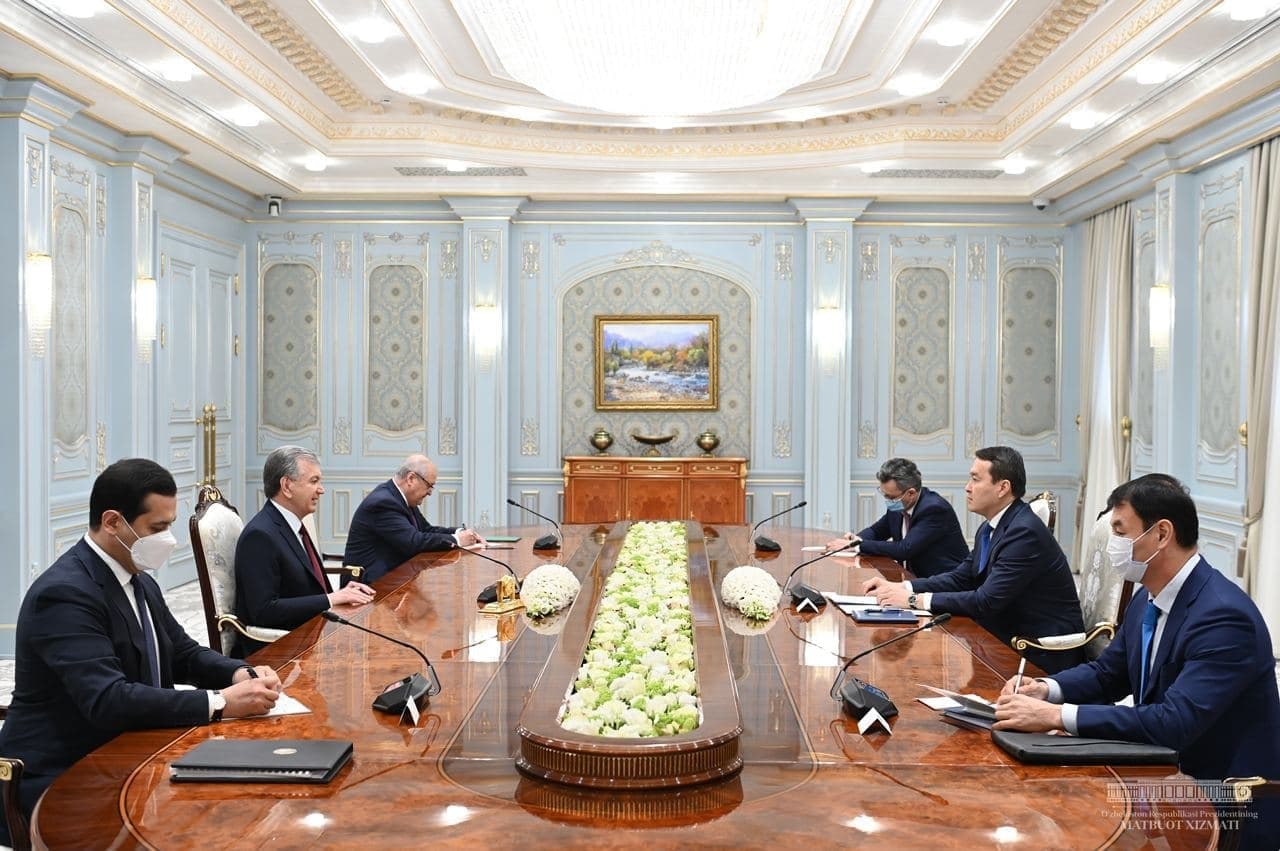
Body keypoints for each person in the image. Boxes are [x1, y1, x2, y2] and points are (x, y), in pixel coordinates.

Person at [0, 459, 282, 845]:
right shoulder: (65, 594)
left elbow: (181, 653)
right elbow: (108, 699)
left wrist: (237, 672)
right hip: (65, 777)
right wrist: (219, 702)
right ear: (113, 522)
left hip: (132, 754)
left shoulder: (139, 580)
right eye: (157, 528)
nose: (169, 540)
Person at [994, 474, 1279, 847]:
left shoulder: (1223, 616)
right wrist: (1047, 689)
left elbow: (1174, 722)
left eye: (1120, 530)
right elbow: (1108, 674)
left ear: (1161, 534)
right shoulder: (1147, 597)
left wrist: (1055, 716)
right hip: (1163, 775)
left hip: (1222, 798)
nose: (1113, 544)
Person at [862, 446, 1085, 674]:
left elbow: (985, 601)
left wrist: (913, 600)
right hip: (1002, 635)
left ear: (1002, 488)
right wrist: (902, 587)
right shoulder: (990, 527)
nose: (967, 487)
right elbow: (961, 577)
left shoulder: (1024, 532)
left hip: (1037, 651)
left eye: (975, 479)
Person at [234, 446, 375, 655]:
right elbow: (264, 611)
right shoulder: (260, 535)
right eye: (313, 481)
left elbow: (304, 586)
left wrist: (340, 595)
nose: (321, 490)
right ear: (287, 486)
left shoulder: (293, 525)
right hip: (281, 651)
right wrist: (331, 599)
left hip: (312, 634)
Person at [343, 454, 487, 585]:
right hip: (370, 586)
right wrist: (458, 540)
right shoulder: (383, 503)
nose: (430, 492)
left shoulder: (400, 498)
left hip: (394, 577)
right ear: (411, 478)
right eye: (429, 485)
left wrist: (461, 533)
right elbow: (413, 542)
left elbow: (426, 530)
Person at [825, 457, 969, 577]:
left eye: (891, 497)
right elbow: (876, 531)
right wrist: (853, 541)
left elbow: (904, 549)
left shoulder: (934, 509)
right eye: (884, 494)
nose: (887, 500)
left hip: (944, 584)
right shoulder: (899, 506)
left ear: (911, 493)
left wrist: (857, 546)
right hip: (913, 579)